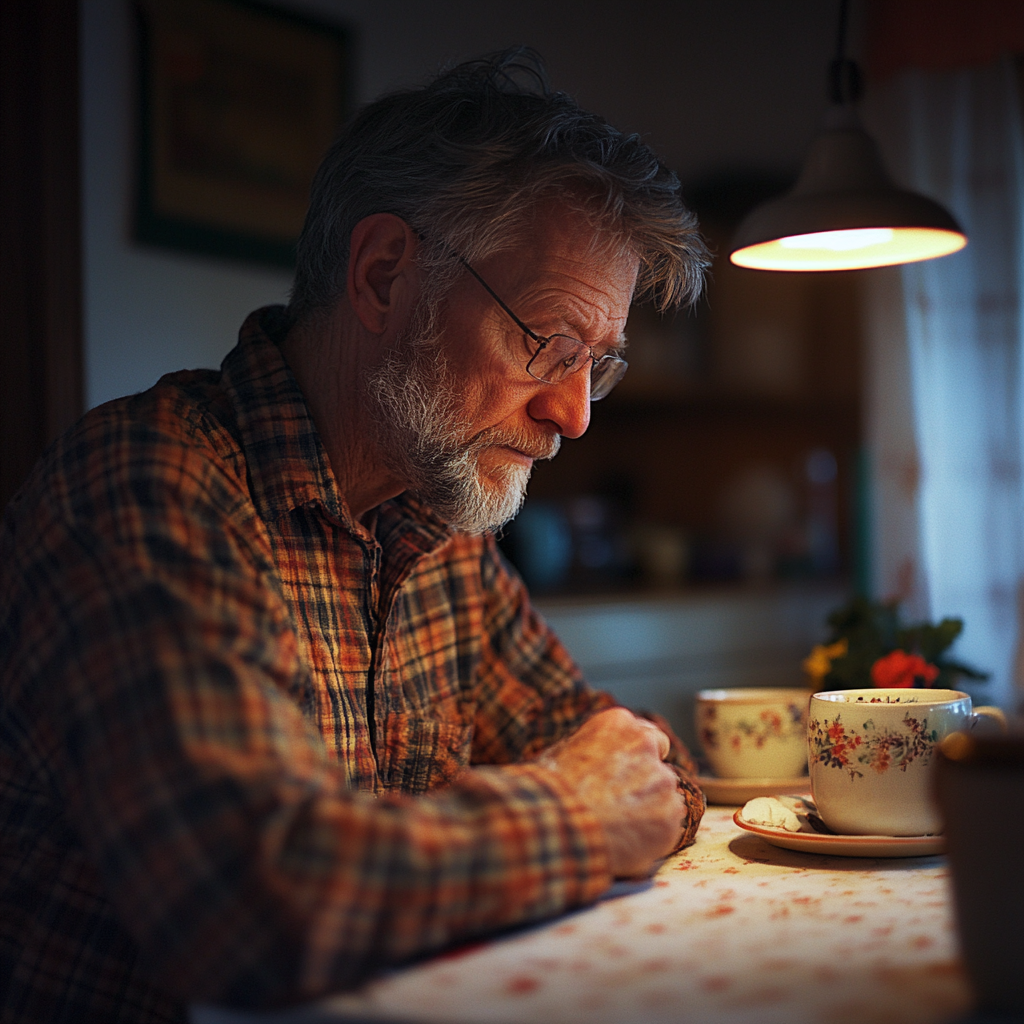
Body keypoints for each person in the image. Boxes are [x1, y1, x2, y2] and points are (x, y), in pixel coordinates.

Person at [0, 49, 710, 1023]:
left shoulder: (440, 525)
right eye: (546, 342)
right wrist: (577, 815)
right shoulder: (147, 484)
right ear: (383, 275)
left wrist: (602, 795)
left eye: (600, 363)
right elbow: (248, 906)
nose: (575, 415)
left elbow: (636, 766)